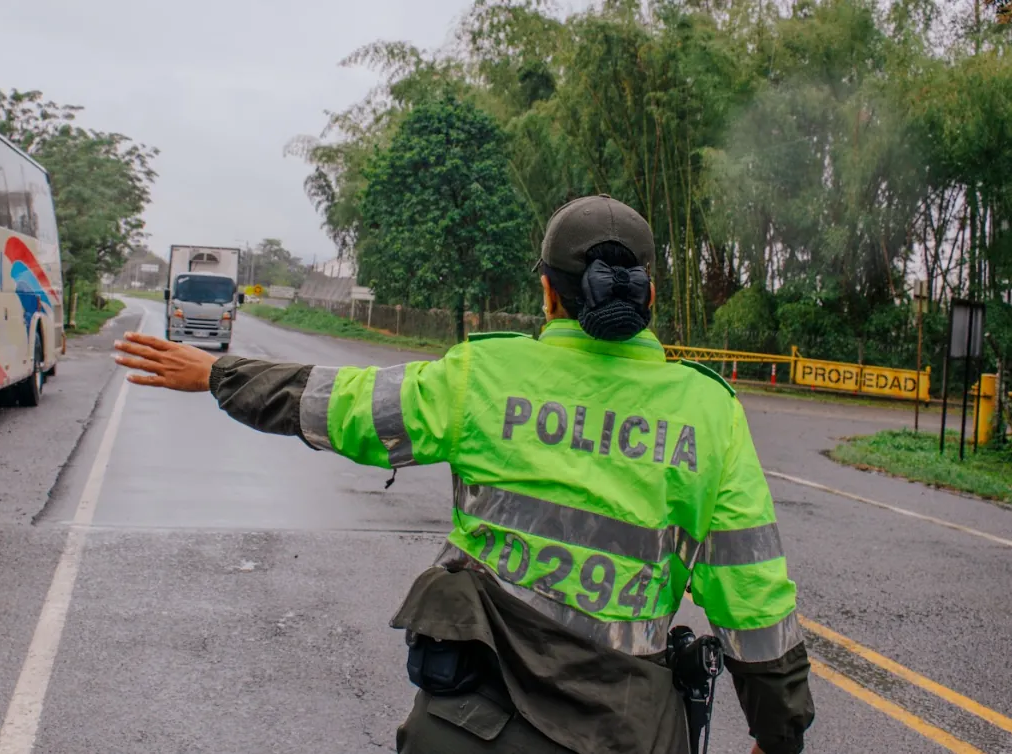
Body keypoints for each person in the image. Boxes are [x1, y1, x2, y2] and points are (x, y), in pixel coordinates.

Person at [113, 195, 815, 754]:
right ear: (649, 294)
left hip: (476, 723)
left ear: (548, 293)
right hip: (624, 728)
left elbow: (342, 406)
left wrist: (220, 374)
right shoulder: (709, 412)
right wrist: (778, 733)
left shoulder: (486, 375)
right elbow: (752, 598)